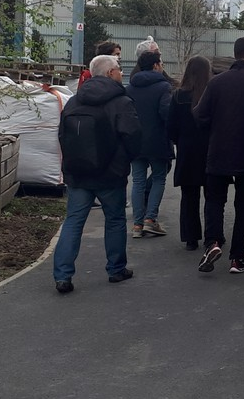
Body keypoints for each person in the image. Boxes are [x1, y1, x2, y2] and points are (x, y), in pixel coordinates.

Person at [51, 53, 143, 293]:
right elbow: (133, 136)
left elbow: (62, 134)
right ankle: (116, 269)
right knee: (115, 220)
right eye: (119, 69)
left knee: (73, 221)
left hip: (78, 173)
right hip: (110, 174)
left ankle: (62, 276)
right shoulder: (121, 102)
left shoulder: (74, 101)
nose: (121, 73)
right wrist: (124, 161)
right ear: (111, 73)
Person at [192, 37, 244, 274]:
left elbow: (200, 115)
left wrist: (214, 131)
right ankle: (238, 258)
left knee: (214, 200)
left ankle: (212, 242)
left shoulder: (216, 82)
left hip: (218, 150)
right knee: (243, 205)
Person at [128, 44, 173, 237]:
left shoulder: (130, 88)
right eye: (161, 63)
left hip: (136, 141)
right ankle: (150, 219)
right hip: (158, 141)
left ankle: (137, 225)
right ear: (155, 66)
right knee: (158, 178)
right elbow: (166, 113)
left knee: (137, 181)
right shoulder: (164, 87)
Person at [167, 55, 212, 251]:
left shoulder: (178, 96)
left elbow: (171, 127)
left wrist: (180, 141)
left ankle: (191, 238)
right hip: (210, 149)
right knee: (213, 196)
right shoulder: (211, 93)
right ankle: (213, 235)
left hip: (187, 150)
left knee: (189, 197)